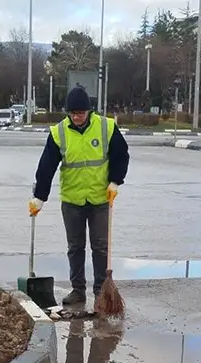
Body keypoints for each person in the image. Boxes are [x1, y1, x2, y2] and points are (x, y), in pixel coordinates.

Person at [30, 86, 130, 307]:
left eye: (81, 113)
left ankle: (101, 291)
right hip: (72, 200)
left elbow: (121, 155)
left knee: (101, 247)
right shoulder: (59, 132)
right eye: (73, 113)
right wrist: (39, 197)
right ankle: (78, 290)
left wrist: (115, 180)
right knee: (75, 247)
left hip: (100, 198)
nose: (77, 117)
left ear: (89, 111)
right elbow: (46, 166)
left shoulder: (106, 127)